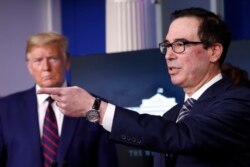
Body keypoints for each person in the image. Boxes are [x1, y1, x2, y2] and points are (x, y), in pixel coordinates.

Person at [37, 7, 250, 167]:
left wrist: (95, 108)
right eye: (167, 45)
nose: (168, 54)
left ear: (214, 51)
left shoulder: (240, 101)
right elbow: (157, 137)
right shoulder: (171, 115)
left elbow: (183, 137)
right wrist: (93, 113)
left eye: (180, 44)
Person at [0, 32, 118, 167]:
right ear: (29, 67)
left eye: (53, 59)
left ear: (67, 62)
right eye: (38, 61)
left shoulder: (96, 105)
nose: (46, 67)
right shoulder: (4, 109)